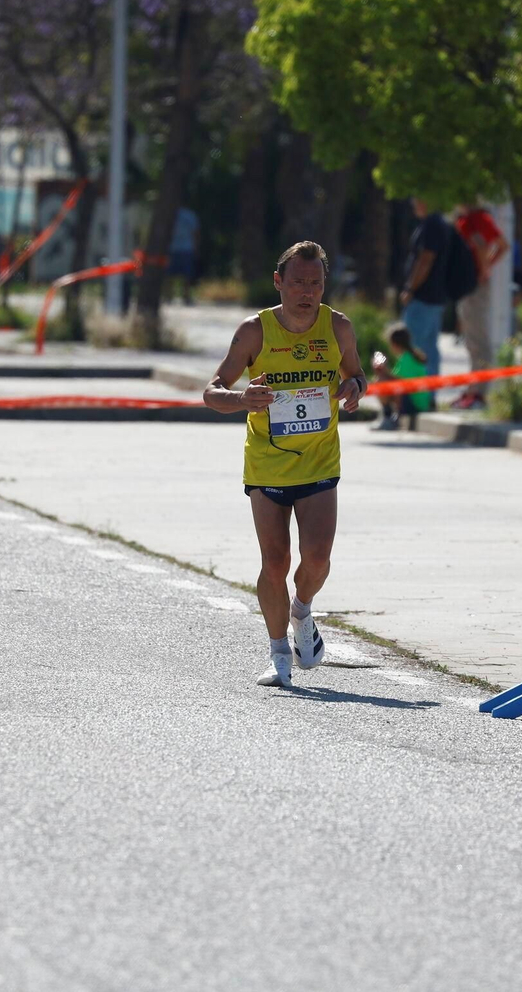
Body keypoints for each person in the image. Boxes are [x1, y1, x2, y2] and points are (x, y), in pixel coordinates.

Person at [203, 240, 366, 688]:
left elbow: (356, 375)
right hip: (267, 466)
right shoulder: (254, 331)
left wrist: (354, 389)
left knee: (317, 558)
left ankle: (302, 609)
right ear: (279, 282)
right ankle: (278, 655)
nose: (306, 292)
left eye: (315, 283)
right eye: (297, 282)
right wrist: (241, 399)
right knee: (274, 562)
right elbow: (211, 390)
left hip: (318, 460)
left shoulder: (338, 327)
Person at [452, 202, 509, 409]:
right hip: (466, 285)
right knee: (471, 340)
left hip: (474, 285)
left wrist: (484, 270)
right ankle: (473, 389)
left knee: (478, 341)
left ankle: (480, 394)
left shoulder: (478, 218)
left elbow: (492, 245)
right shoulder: (465, 218)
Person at [399, 199, 451, 385]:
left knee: (413, 346)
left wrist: (410, 288)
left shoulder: (432, 225)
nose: (413, 203)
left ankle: (414, 396)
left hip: (423, 298)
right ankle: (428, 394)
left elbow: (425, 260)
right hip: (434, 298)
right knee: (429, 348)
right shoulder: (438, 224)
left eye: (416, 199)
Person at [369, 323, 432, 430]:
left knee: (381, 381)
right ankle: (388, 415)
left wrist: (384, 372)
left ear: (395, 343)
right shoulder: (407, 356)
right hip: (415, 400)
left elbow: (403, 382)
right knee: (382, 379)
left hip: (415, 403)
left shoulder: (407, 359)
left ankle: (389, 417)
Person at [169, 205, 200, 304]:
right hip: (185, 248)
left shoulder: (171, 215)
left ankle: (171, 295)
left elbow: (195, 232)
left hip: (176, 247)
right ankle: (183, 296)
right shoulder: (189, 215)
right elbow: (196, 233)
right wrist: (196, 247)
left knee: (173, 274)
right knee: (185, 274)